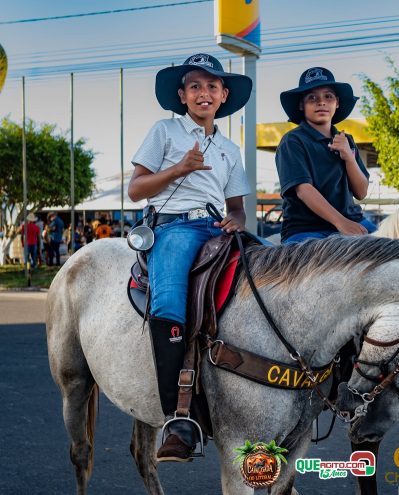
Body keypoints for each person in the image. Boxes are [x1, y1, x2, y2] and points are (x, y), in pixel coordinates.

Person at [128, 52, 251, 462]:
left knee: (273, 271)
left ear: (224, 95)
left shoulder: (230, 149)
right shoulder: (165, 131)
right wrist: (179, 169)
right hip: (174, 227)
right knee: (169, 301)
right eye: (195, 86)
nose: (204, 93)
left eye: (212, 87)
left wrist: (236, 220)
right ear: (182, 95)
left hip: (217, 227)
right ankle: (175, 418)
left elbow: (237, 206)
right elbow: (136, 189)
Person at [275, 67, 374, 244]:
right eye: (312, 98)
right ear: (301, 105)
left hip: (354, 221)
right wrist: (340, 222)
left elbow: (361, 191)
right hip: (307, 229)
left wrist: (348, 156)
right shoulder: (292, 141)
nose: (321, 102)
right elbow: (304, 190)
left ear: (337, 103)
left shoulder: (346, 140)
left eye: (328, 96)